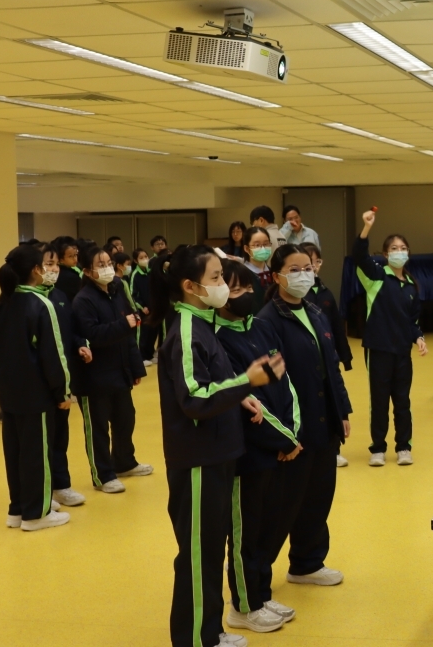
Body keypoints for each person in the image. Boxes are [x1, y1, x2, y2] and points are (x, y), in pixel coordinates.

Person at [149, 244, 281, 647]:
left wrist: (240, 396)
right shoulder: (187, 329)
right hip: (198, 460)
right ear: (190, 286)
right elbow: (194, 398)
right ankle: (195, 639)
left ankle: (210, 631)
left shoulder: (203, 322)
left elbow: (210, 382)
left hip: (219, 453)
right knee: (198, 555)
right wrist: (245, 382)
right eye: (217, 278)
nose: (224, 285)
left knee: (210, 550)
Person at [255, 244, 353, 588]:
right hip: (294, 427)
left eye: (307, 268)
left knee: (317, 497)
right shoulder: (268, 320)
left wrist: (342, 410)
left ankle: (307, 563)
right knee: (283, 505)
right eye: (294, 270)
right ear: (277, 275)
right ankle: (254, 580)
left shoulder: (315, 311)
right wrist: (283, 435)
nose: (303, 275)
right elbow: (272, 384)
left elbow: (331, 367)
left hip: (324, 421)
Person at [215, 260, 302, 634]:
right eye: (235, 289)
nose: (245, 295)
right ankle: (243, 606)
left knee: (268, 527)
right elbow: (249, 403)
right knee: (245, 534)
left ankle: (262, 595)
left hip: (278, 447)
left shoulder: (262, 327)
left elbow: (285, 383)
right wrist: (284, 439)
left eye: (249, 288)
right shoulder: (218, 339)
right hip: (248, 453)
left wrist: (293, 434)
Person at [0, 245, 73, 532]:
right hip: (36, 395)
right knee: (37, 453)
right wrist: (62, 392)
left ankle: (18, 509)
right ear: (36, 270)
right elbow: (54, 355)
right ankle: (36, 513)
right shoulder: (40, 305)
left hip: (8, 394)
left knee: (15, 453)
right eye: (45, 265)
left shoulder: (1, 305)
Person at [72, 244, 149, 494]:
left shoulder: (116, 290)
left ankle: (124, 462)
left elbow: (129, 333)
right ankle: (103, 475)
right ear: (87, 271)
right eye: (100, 265)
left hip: (120, 370)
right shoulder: (83, 300)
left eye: (108, 263)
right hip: (93, 376)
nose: (107, 268)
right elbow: (92, 334)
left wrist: (135, 368)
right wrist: (123, 324)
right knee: (98, 429)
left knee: (125, 419)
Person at [354, 212, 426, 467]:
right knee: (379, 401)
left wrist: (419, 337)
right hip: (378, 349)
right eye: (394, 248)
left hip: (402, 352)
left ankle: (404, 447)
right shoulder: (375, 276)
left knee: (402, 401)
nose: (399, 252)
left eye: (403, 248)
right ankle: (378, 448)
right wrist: (366, 227)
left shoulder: (411, 285)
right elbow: (359, 256)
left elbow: (412, 321)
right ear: (385, 254)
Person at [40, 244, 93, 508]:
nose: (53, 269)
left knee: (60, 435)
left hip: (63, 377)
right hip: (41, 382)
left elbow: (71, 329)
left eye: (55, 265)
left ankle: (61, 485)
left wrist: (80, 344)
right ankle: (42, 491)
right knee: (42, 439)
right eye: (48, 264)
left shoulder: (60, 296)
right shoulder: (29, 301)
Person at [300, 243, 354, 467]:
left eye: (316, 262)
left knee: (332, 401)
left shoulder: (326, 293)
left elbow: (337, 328)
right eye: (308, 263)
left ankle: (335, 448)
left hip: (328, 357)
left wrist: (345, 356)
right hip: (306, 360)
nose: (313, 267)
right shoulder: (298, 294)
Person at [131, 248, 158, 366]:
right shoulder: (135, 275)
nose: (144, 259)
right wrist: (142, 307)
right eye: (141, 258)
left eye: (146, 257)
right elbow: (133, 295)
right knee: (143, 335)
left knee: (153, 333)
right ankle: (141, 357)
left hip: (153, 309)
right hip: (143, 310)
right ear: (135, 261)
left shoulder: (150, 273)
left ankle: (150, 354)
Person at [241, 226, 274, 296]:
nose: (263, 248)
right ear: (246, 248)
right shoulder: (242, 274)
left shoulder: (273, 272)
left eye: (266, 244)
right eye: (257, 245)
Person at [52, 236, 82, 301]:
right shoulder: (71, 277)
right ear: (60, 259)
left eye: (76, 254)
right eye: (70, 256)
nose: (75, 259)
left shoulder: (73, 270)